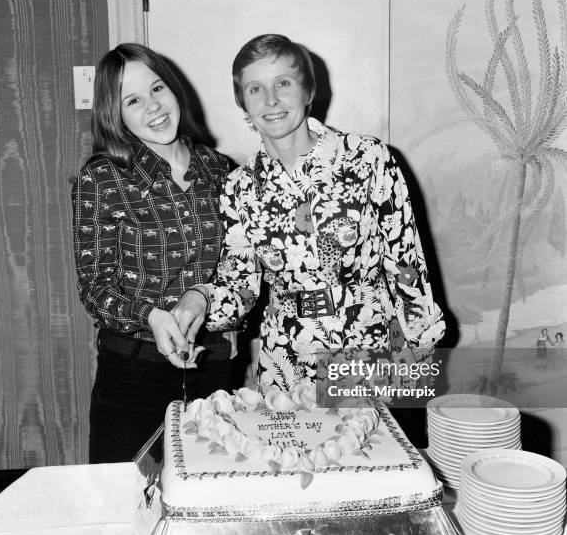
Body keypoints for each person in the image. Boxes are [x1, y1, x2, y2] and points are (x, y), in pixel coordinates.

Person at [174, 34, 445, 393]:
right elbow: (241, 287)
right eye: (255, 89)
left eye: (283, 83)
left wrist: (420, 349)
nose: (271, 101)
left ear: (308, 91)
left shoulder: (368, 159)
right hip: (286, 361)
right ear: (243, 104)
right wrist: (200, 298)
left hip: (369, 344)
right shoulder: (239, 187)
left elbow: (406, 265)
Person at [72, 43, 234, 463]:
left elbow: (241, 268)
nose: (153, 107)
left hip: (212, 368)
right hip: (133, 374)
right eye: (133, 100)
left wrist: (208, 297)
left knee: (212, 498)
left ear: (174, 88)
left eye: (157, 88)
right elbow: (94, 288)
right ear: (116, 114)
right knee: (126, 504)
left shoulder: (221, 170)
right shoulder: (103, 177)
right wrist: (150, 315)